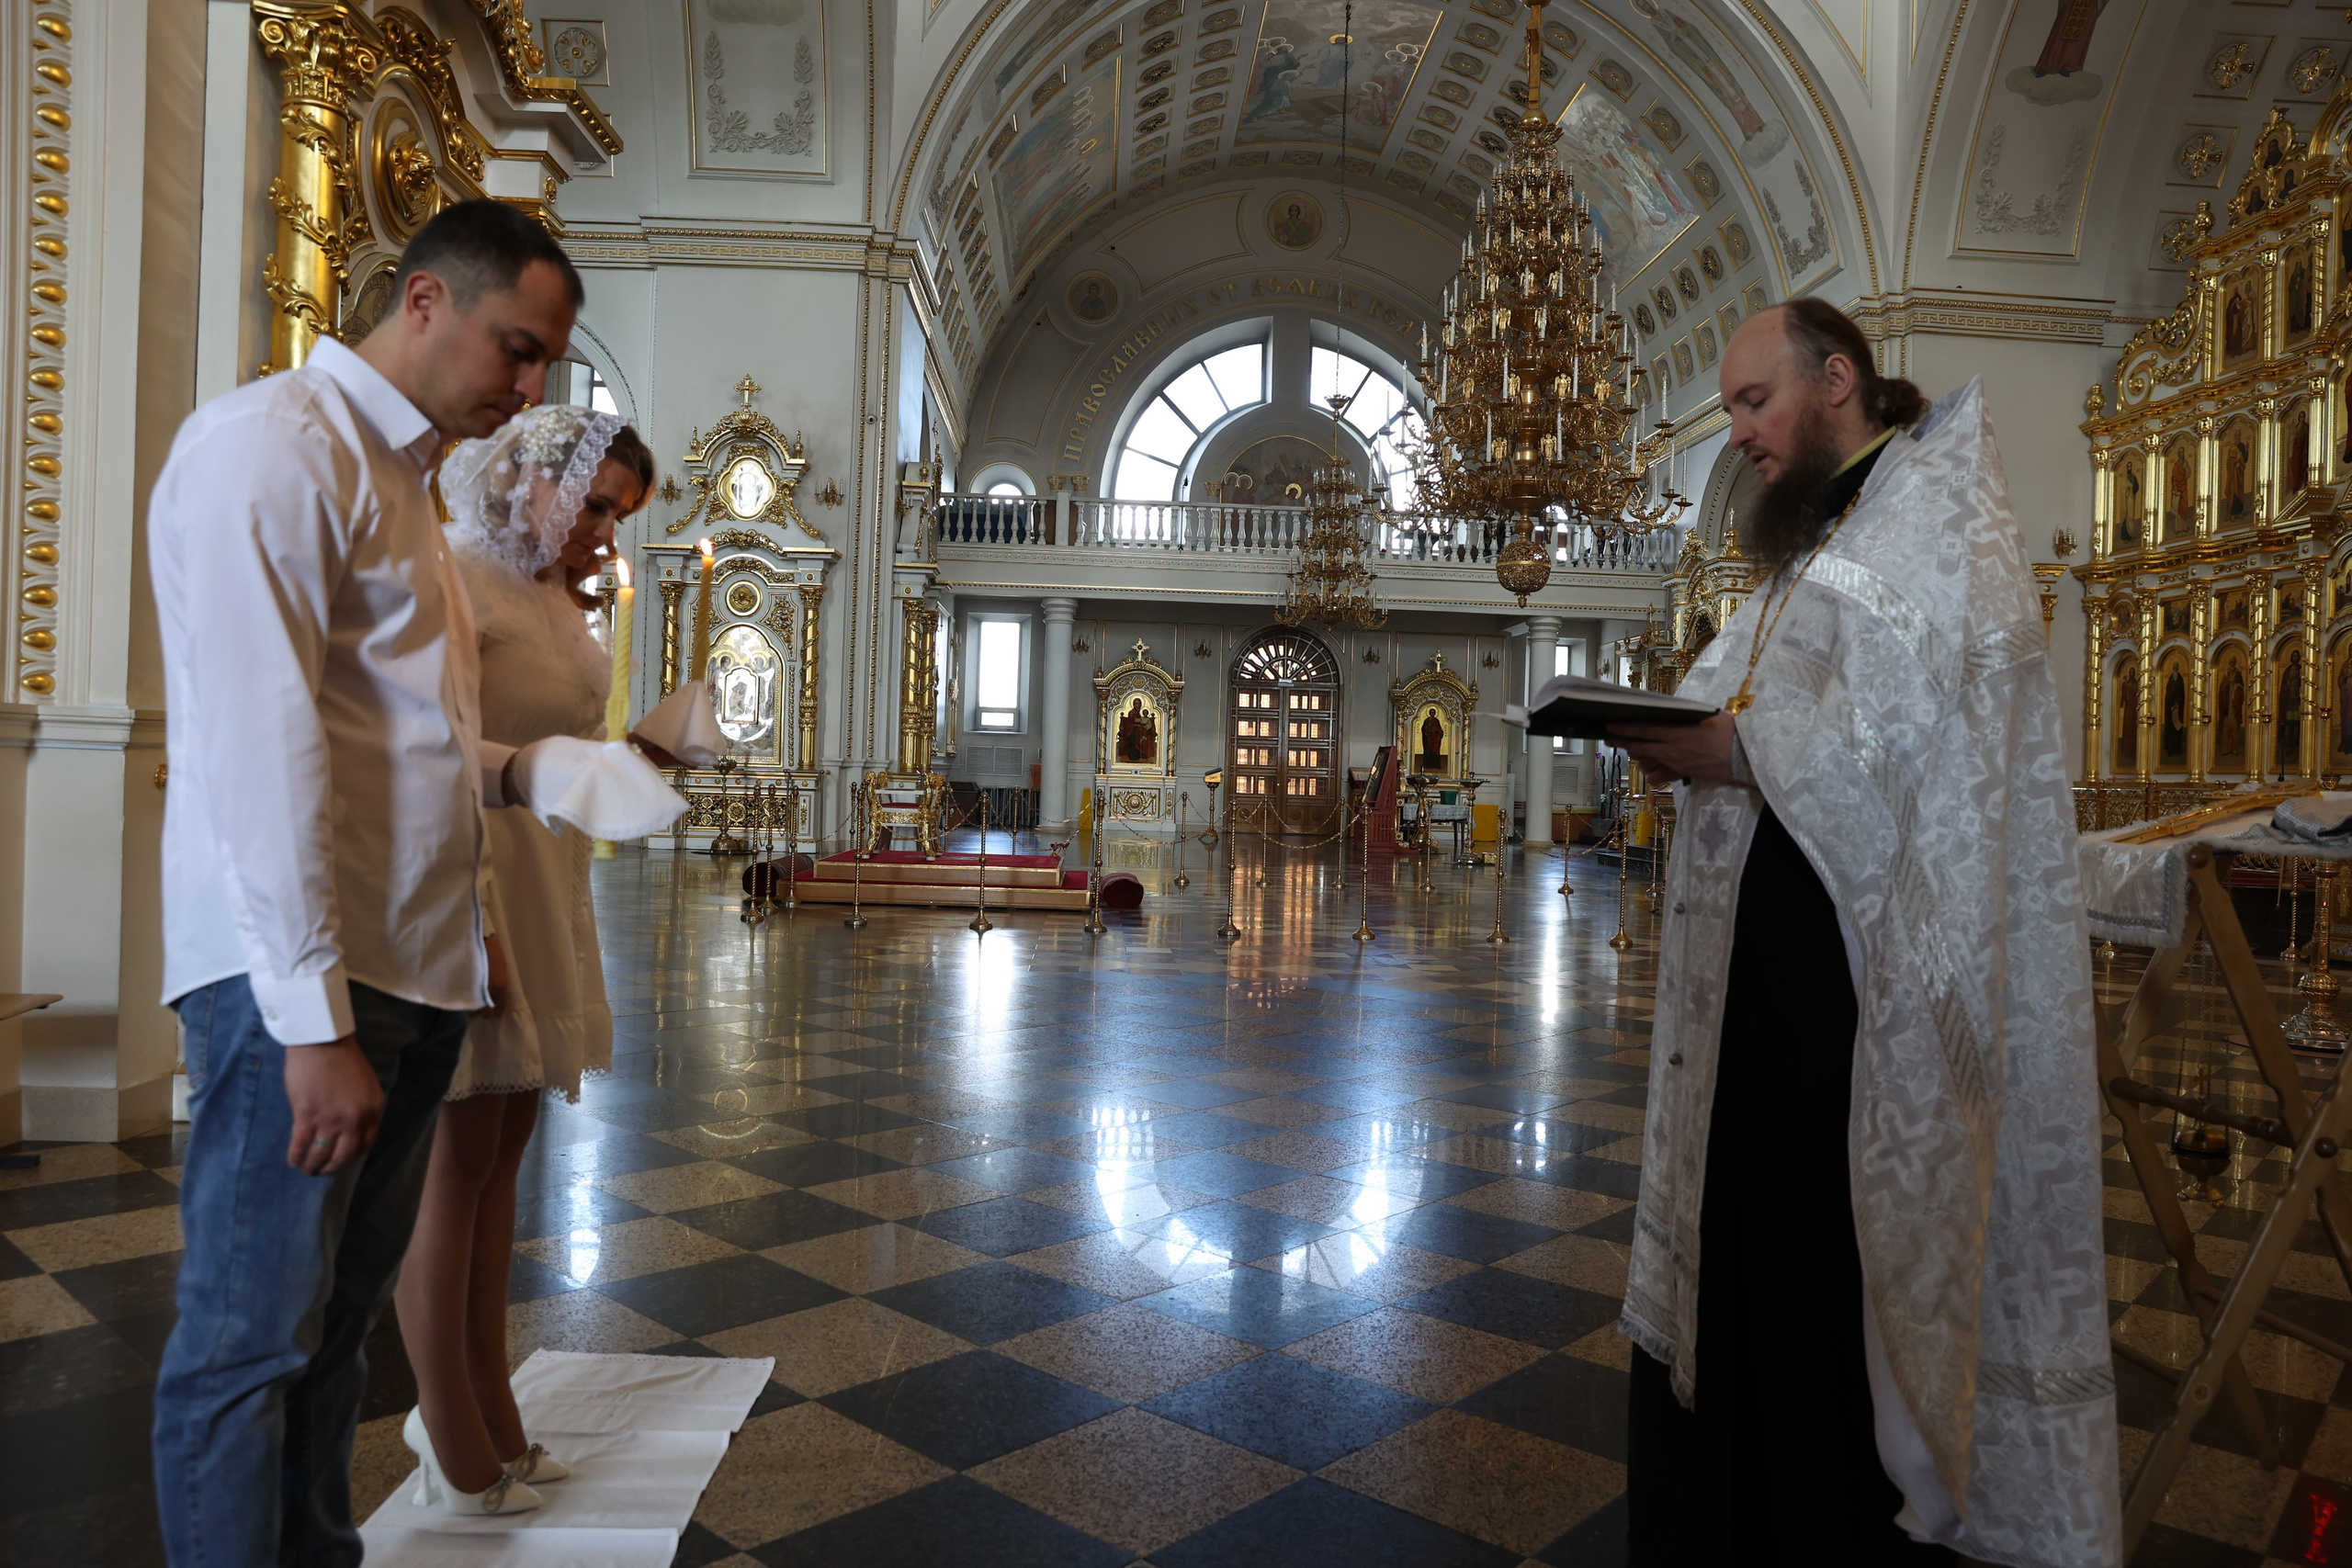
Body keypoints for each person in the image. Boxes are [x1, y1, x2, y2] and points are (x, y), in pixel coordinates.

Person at [1608, 299, 2120, 1566]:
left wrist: (1729, 747)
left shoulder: (1933, 521)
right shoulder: (1828, 534)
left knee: (1826, 1258)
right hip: (1774, 975)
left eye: (1752, 403)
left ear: (1836, 377)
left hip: (1857, 994)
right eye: (1730, 409)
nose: (1737, 435)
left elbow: (1914, 756)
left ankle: (1833, 1517)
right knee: (1764, 1246)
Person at [148, 200, 584, 1563]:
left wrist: (531, 777)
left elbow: (409, 740)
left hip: (409, 963)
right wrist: (314, 1023)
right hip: (304, 985)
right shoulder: (272, 446)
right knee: (247, 1341)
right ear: (422, 300)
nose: (526, 392)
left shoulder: (407, 486)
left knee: (333, 1334)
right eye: (516, 350)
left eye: (545, 368)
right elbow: (265, 744)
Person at [393, 404, 654, 1509]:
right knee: (453, 1169)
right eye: (594, 505)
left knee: (506, 1159)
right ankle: (443, 1426)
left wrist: (658, 752)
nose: (605, 532)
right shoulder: (458, 574)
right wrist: (478, 922)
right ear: (530, 478)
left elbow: (573, 763)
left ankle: (494, 1399)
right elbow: (437, 753)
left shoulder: (559, 598)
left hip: (552, 884)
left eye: (620, 515)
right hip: (477, 881)